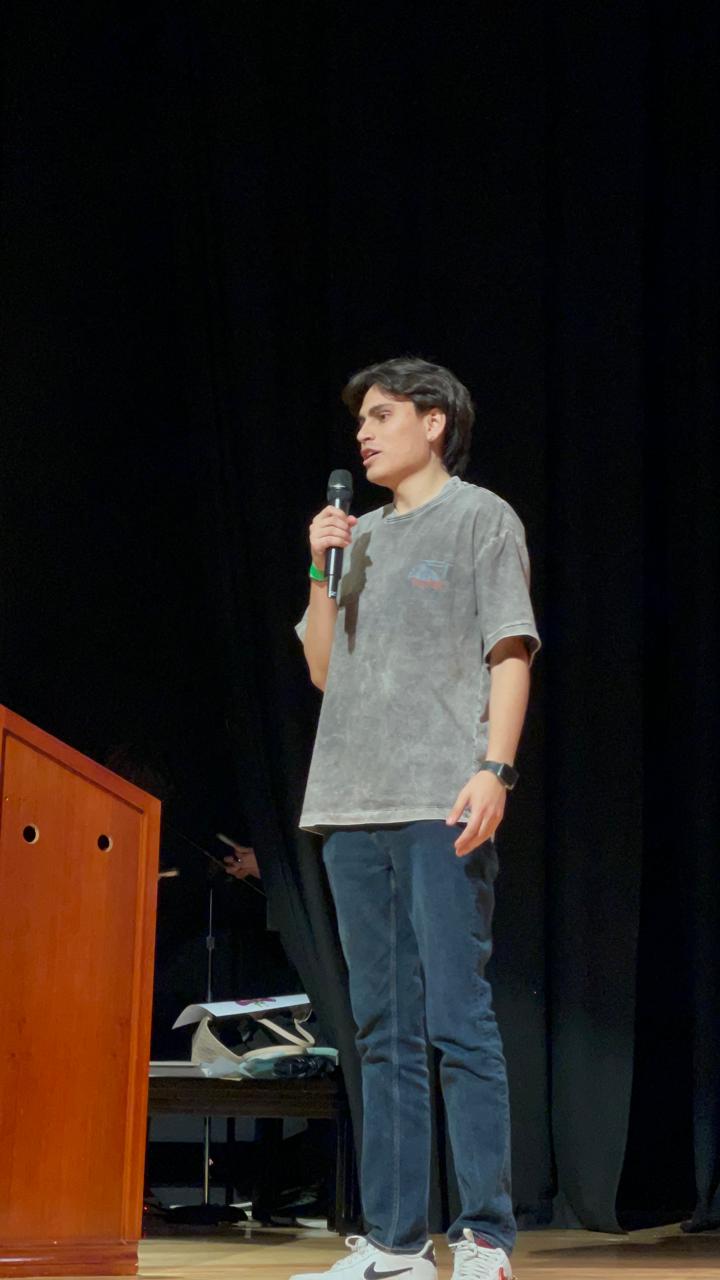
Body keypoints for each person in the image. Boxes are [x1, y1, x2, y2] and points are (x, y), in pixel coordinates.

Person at [291, 357, 540, 1280]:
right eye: (361, 419)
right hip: (350, 803)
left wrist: (495, 768)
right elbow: (322, 668)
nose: (365, 433)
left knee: (457, 1020)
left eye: (384, 415)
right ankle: (395, 1242)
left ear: (435, 423)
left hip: (441, 798)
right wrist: (321, 566)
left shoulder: (481, 518)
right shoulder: (354, 540)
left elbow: (509, 652)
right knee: (381, 1028)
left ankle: (484, 1235)